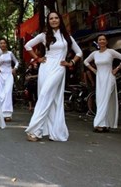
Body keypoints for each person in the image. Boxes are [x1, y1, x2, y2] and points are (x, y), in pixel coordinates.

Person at [24, 11, 82, 142]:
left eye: (56, 18)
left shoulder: (67, 36)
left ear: (60, 20)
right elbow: (27, 45)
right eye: (51, 18)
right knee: (47, 96)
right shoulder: (44, 35)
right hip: (46, 66)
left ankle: (35, 130)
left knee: (47, 95)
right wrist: (37, 59)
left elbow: (79, 52)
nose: (54, 20)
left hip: (59, 68)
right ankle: (50, 131)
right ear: (48, 21)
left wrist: (71, 62)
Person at [83, 34, 121, 132]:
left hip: (109, 77)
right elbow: (86, 62)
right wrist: (94, 70)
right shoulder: (94, 54)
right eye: (100, 40)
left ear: (107, 42)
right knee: (100, 100)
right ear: (97, 42)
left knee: (106, 100)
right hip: (99, 78)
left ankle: (99, 123)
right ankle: (105, 123)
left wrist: (117, 69)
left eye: (104, 39)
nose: (102, 41)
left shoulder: (111, 52)